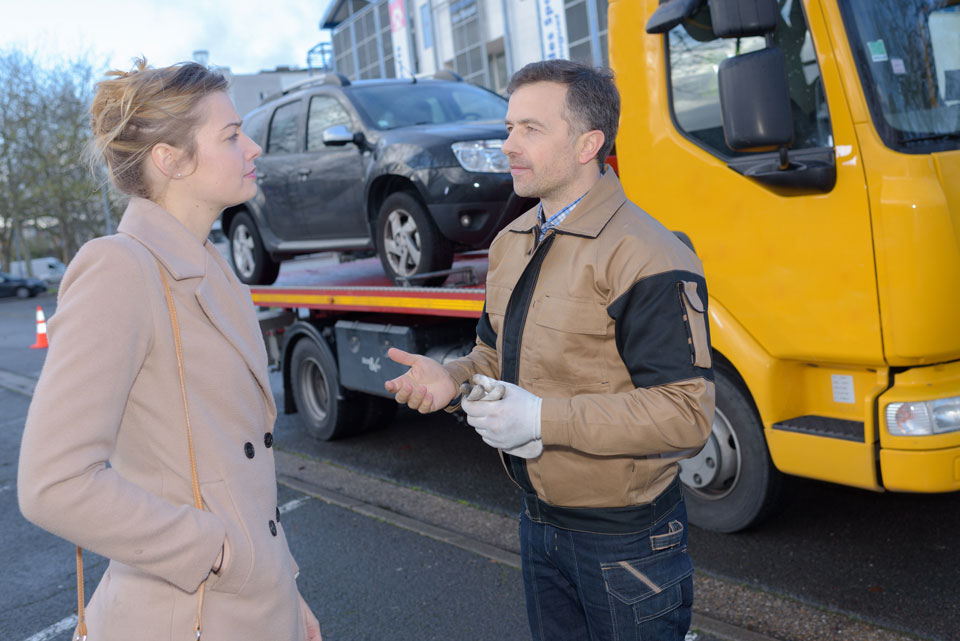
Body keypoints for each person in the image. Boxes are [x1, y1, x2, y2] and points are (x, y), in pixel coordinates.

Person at [385, 59, 714, 641]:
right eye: (509, 127)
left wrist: (541, 418)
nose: (507, 144)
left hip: (627, 541)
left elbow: (685, 415)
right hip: (538, 526)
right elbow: (491, 355)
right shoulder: (510, 243)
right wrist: (452, 379)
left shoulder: (648, 254)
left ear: (589, 143)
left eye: (530, 129)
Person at [17, 59, 322, 641]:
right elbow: (51, 483)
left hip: (254, 608)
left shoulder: (215, 269)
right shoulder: (120, 269)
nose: (253, 147)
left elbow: (237, 471)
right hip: (188, 617)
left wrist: (284, 592)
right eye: (231, 136)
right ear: (170, 158)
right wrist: (220, 553)